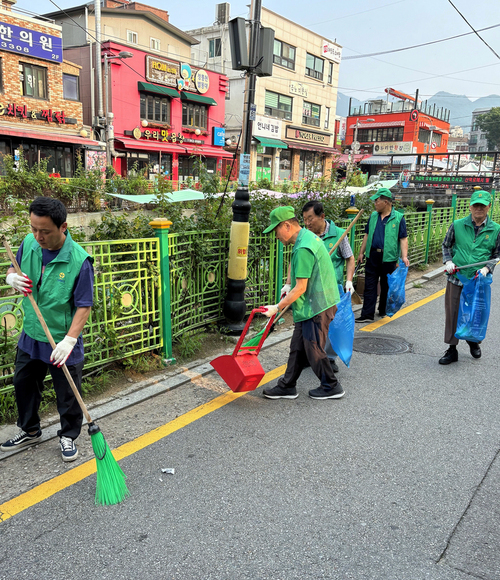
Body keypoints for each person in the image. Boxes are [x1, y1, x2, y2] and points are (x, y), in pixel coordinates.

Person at [1, 197, 94, 462]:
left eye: (45, 231)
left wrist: (70, 340)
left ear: (63, 227)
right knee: (24, 384)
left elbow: (84, 306)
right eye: (33, 228)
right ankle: (30, 429)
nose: (38, 236)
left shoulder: (79, 261)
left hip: (61, 338)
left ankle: (68, 435)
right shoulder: (29, 243)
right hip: (32, 331)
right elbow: (14, 265)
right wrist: (11, 277)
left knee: (67, 392)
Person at [261, 206, 344, 400]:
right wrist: (288, 284)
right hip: (312, 303)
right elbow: (299, 278)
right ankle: (287, 386)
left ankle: (331, 386)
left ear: (287, 225)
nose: (276, 236)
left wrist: (277, 307)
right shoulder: (305, 237)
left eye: (276, 230)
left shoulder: (303, 246)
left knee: (313, 348)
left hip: (317, 305)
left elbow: (301, 288)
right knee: (298, 347)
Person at [439, 189, 500, 364]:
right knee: (453, 313)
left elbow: (496, 254)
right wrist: (448, 261)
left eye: (482, 205)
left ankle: (473, 342)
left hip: (478, 280)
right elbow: (446, 245)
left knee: (476, 312)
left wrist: (487, 268)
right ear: (470, 206)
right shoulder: (457, 225)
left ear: (489, 206)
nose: (479, 208)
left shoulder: (496, 229)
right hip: (456, 277)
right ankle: (452, 349)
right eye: (475, 205)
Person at [300, 200, 355, 372]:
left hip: (332, 289)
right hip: (311, 289)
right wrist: (288, 284)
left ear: (322, 217)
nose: (307, 223)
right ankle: (312, 355)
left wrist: (349, 280)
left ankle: (329, 358)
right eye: (304, 219)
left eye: (311, 219)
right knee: (312, 324)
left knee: (332, 324)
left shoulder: (339, 234)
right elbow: (295, 262)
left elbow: (350, 258)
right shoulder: (305, 236)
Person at [356, 188, 409, 322]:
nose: (375, 203)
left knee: (386, 286)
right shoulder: (373, 216)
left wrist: (404, 256)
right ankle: (367, 314)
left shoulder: (398, 218)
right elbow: (367, 235)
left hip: (388, 258)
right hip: (372, 255)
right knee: (370, 285)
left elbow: (403, 238)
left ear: (386, 202)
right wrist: (361, 252)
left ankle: (383, 310)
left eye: (377, 200)